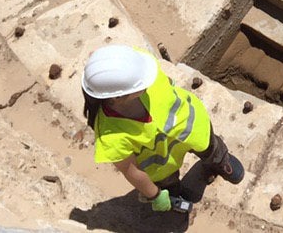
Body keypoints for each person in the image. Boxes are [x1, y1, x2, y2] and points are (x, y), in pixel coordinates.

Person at [81, 44, 243, 213]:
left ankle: (220, 162)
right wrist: (155, 195)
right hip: (161, 164)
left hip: (192, 126)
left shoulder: (142, 66)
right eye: (140, 85)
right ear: (117, 98)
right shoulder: (111, 137)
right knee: (168, 183)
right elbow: (132, 171)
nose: (148, 80)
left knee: (210, 147)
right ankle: (174, 193)